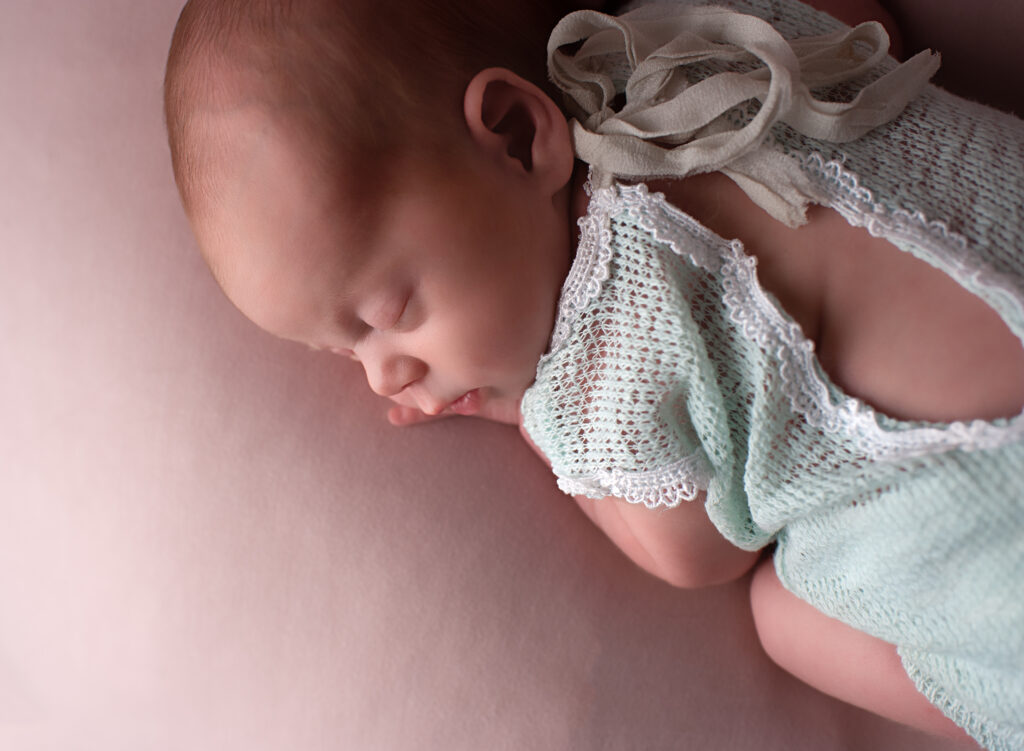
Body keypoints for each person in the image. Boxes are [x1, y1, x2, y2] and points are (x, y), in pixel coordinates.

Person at [163, 0, 1024, 748]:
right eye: (344, 353)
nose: (385, 376)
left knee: (784, 618)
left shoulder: (608, 357)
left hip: (994, 521)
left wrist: (533, 414)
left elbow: (698, 555)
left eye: (390, 315)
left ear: (516, 135)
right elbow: (870, 27)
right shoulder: (698, 41)